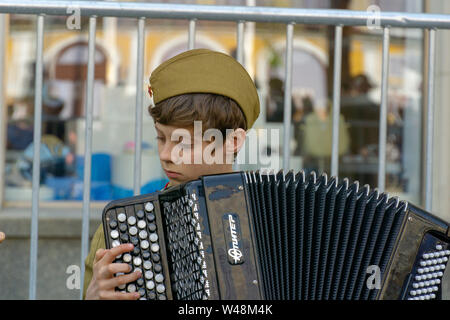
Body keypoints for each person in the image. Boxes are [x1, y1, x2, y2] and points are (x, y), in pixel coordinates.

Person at [83, 49, 260, 300]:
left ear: (232, 141)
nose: (166, 154)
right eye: (160, 137)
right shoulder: (122, 227)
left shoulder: (283, 217)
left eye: (184, 143)